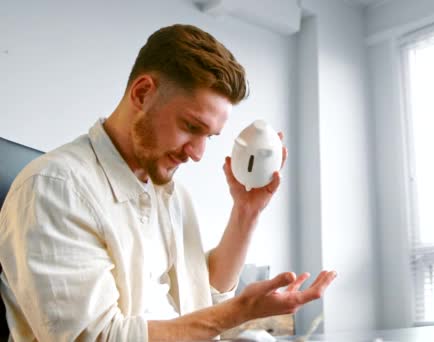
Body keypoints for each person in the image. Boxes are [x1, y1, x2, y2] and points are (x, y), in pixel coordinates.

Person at [0, 24, 336, 341]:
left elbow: (206, 297)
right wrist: (237, 314)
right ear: (143, 93)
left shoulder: (172, 196)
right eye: (191, 126)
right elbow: (96, 336)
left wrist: (246, 211)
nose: (198, 153)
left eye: (210, 136)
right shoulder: (56, 187)